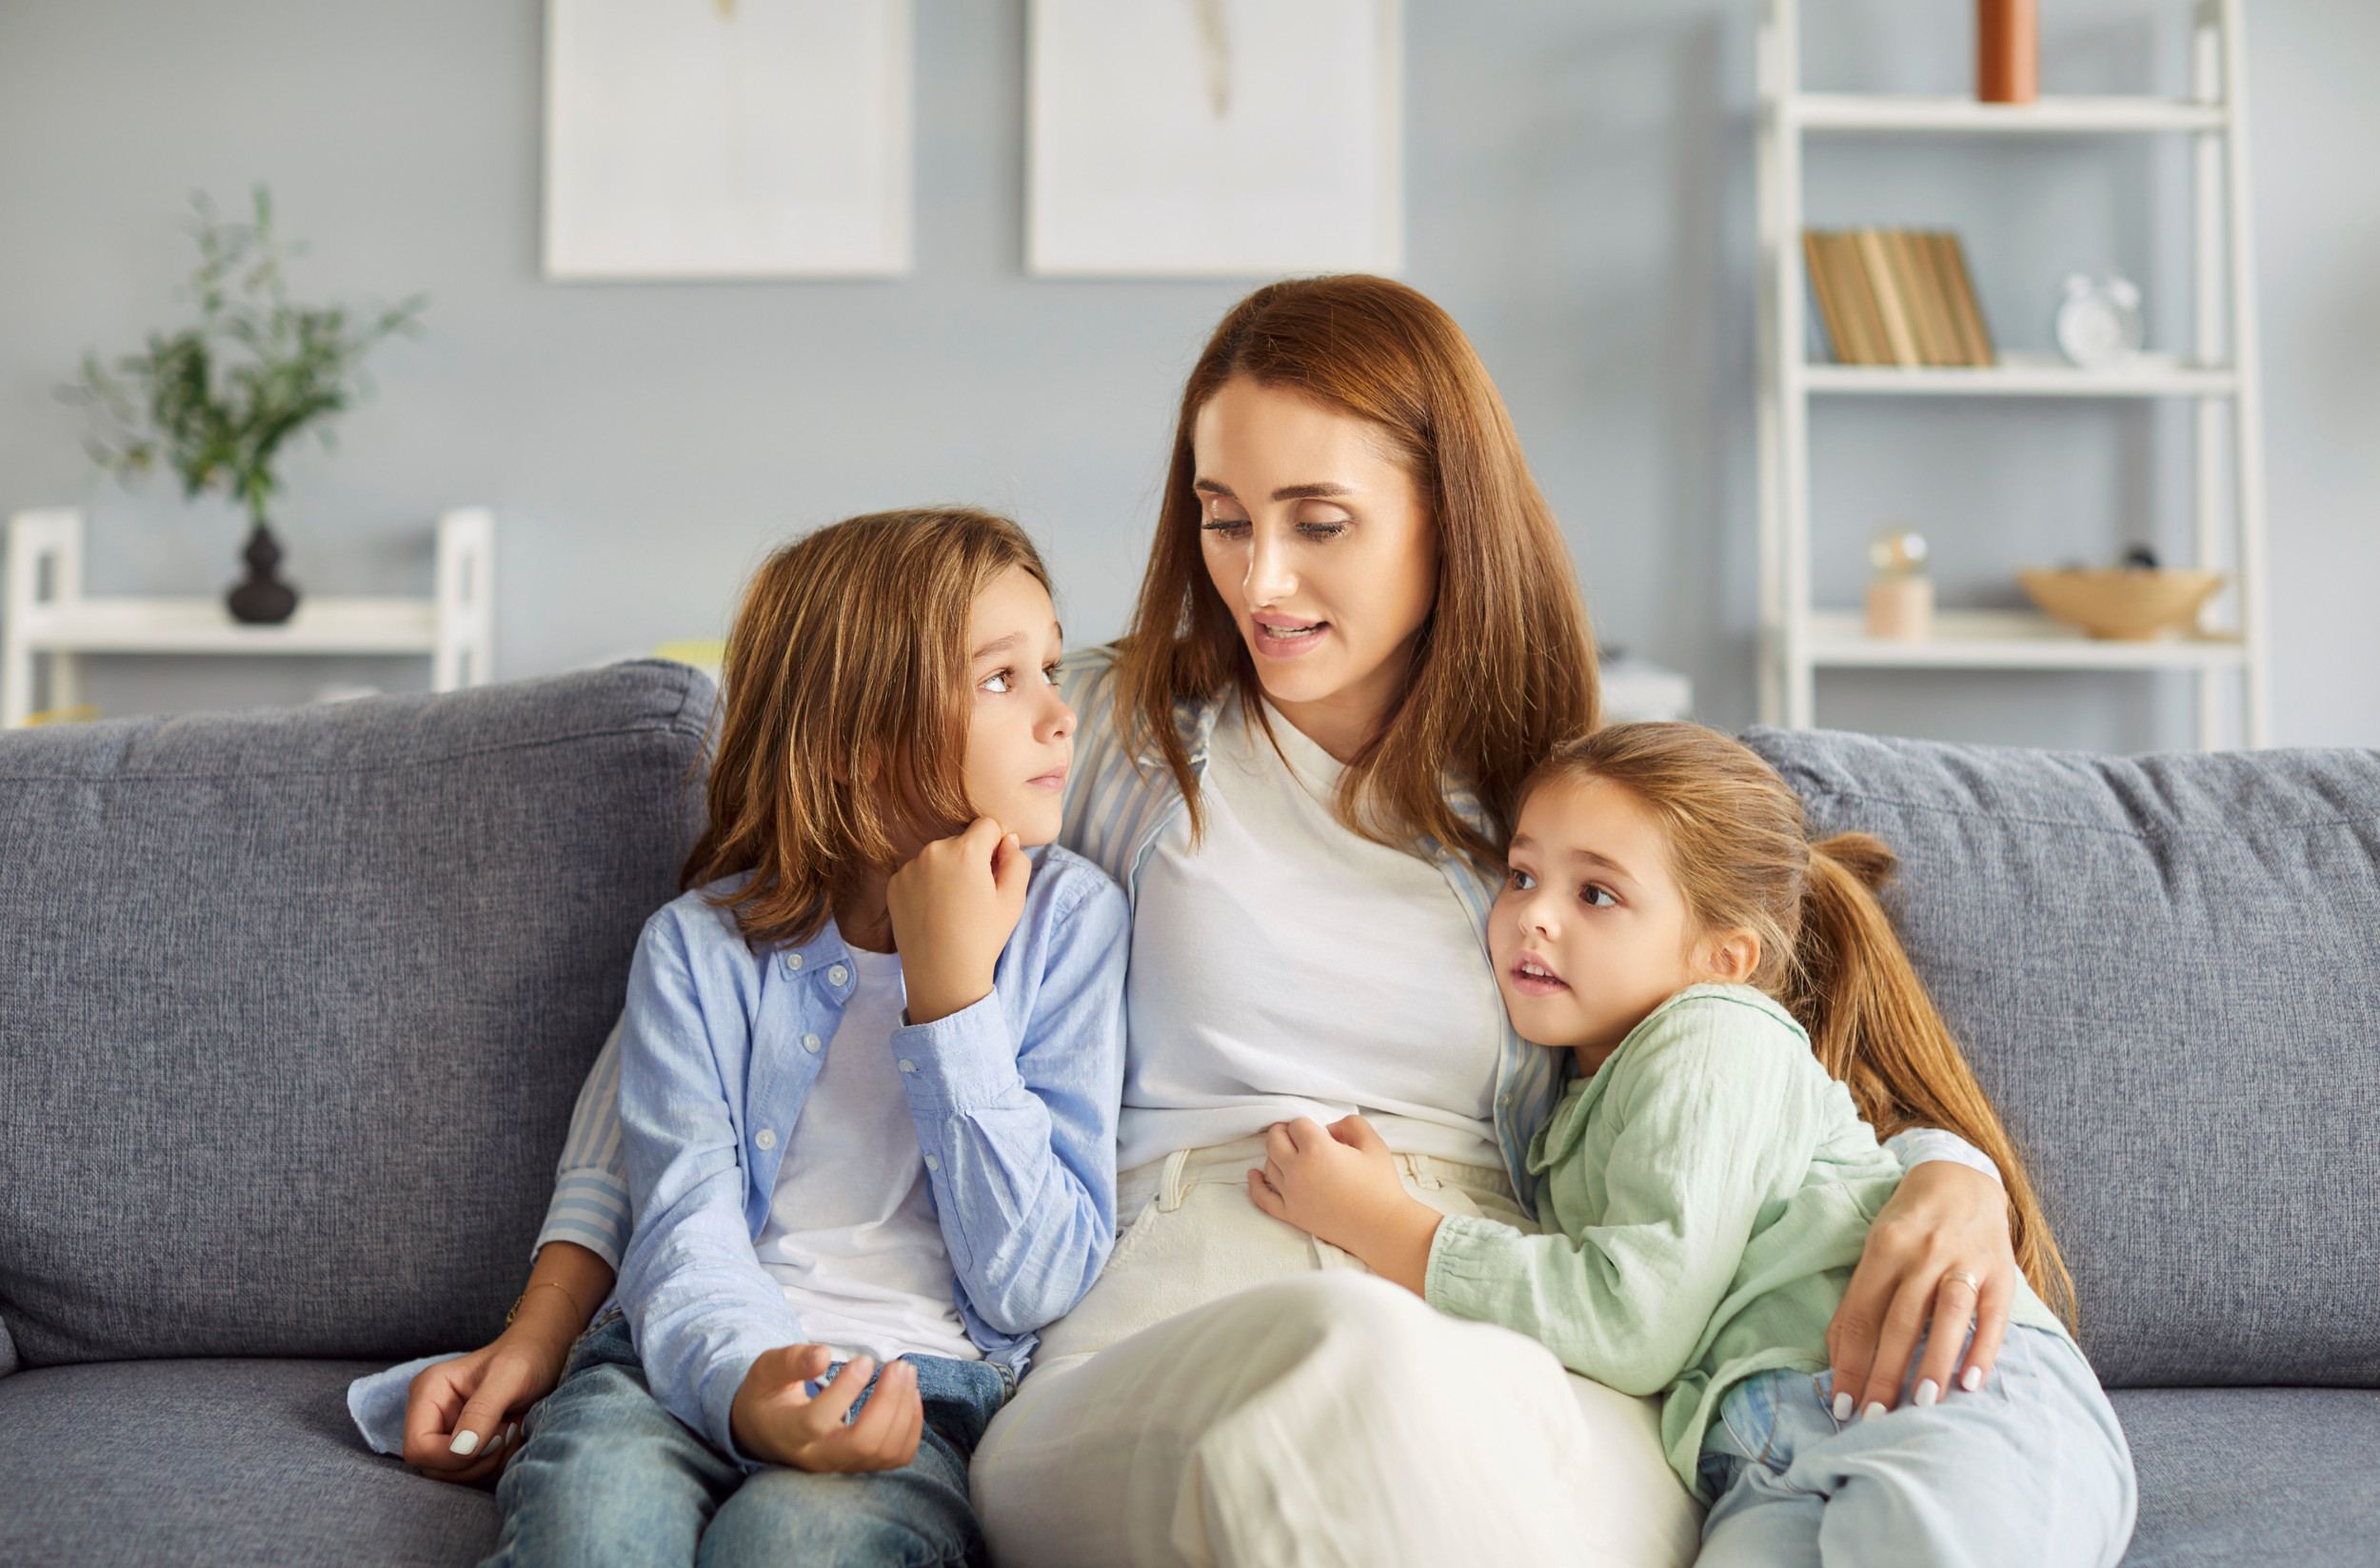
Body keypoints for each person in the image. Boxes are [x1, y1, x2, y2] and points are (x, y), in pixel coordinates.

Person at [405, 277, 2023, 1568]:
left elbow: (1745, 1047)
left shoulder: (1553, 802)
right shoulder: (1112, 730)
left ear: (1445, 513)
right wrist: (548, 1316)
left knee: (1449, 1419)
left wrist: (1950, 1181)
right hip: (1167, 1310)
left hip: (1475, 1299)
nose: (1259, 577)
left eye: (1319, 518)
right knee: (1342, 1363)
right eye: (1221, 514)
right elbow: (749, 967)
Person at [1250, 721, 2136, 1567]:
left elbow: (1633, 1319)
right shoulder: (1568, 1106)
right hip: (1762, 1452)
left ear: (1725, 957)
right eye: (1521, 875)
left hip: (1945, 1394)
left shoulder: (1714, 1033)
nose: (1535, 917)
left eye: (1595, 893)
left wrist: (1389, 1225)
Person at [469, 507, 1128, 1568]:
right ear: (860, 740)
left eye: (1050, 667)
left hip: (919, 1384)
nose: (1061, 715)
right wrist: (748, 1384)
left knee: (795, 1545)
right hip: (675, 1362)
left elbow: (1035, 1281)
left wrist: (952, 996)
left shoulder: (1071, 926)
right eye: (1002, 679)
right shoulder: (698, 949)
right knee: (594, 1530)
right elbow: (682, 1226)